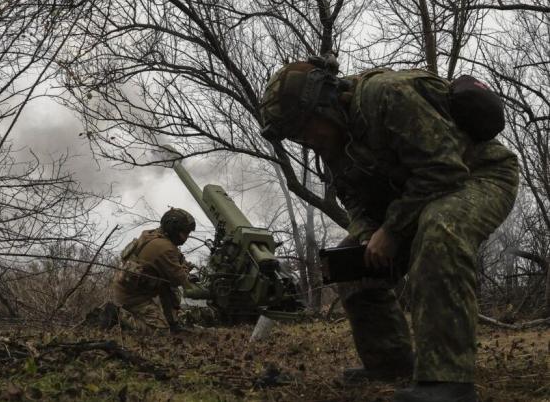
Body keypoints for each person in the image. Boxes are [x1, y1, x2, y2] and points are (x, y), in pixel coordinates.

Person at [259, 57, 519, 402]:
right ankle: (390, 362)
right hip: (421, 195)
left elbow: (444, 171)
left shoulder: (387, 95)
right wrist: (368, 235)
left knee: (441, 230)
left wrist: (393, 231)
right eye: (296, 134)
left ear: (326, 103)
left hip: (480, 175)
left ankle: (449, 382)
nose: (305, 140)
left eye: (305, 128)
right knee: (351, 260)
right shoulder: (335, 144)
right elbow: (355, 202)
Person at [110, 207, 196, 334]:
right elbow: (179, 280)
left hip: (128, 288)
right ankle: (116, 315)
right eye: (185, 233)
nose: (186, 237)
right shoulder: (165, 248)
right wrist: (185, 270)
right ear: (174, 230)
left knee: (167, 285)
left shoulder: (151, 234)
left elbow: (171, 258)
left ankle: (174, 324)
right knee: (160, 331)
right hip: (133, 298)